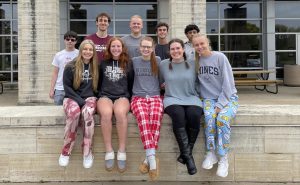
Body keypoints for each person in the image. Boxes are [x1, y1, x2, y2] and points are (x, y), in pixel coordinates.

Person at [192, 34, 239, 178]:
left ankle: (223, 158)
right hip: (207, 98)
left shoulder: (220, 57)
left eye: (202, 43)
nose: (200, 47)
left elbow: (228, 83)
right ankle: (210, 153)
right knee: (209, 117)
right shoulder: (196, 61)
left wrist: (220, 105)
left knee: (222, 119)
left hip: (228, 97)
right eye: (196, 45)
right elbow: (195, 83)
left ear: (207, 43)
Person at [159, 38, 203, 175]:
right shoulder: (163, 64)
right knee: (178, 115)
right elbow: (160, 82)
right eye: (172, 49)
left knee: (194, 115)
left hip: (191, 97)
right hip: (172, 98)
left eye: (178, 48)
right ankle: (189, 158)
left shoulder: (192, 63)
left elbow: (200, 81)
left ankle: (185, 153)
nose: (175, 51)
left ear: (183, 49)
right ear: (169, 51)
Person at [58, 39, 99, 169]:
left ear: (93, 52)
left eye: (90, 49)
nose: (88, 52)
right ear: (80, 50)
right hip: (71, 97)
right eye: (85, 49)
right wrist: (80, 102)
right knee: (74, 113)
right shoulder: (70, 66)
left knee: (87, 114)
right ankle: (66, 150)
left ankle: (87, 151)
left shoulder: (96, 67)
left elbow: (98, 88)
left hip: (90, 98)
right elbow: (67, 88)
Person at [97, 37, 133, 173]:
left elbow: (131, 81)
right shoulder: (103, 63)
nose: (116, 49)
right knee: (106, 114)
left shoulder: (128, 63)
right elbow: (99, 80)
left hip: (122, 96)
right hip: (105, 95)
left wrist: (127, 96)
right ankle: (109, 151)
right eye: (113, 46)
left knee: (119, 113)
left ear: (122, 48)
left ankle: (122, 151)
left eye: (118, 46)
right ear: (109, 48)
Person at [131, 37, 163, 181]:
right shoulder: (134, 61)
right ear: (139, 47)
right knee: (143, 119)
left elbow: (162, 80)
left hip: (155, 96)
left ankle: (147, 158)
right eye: (143, 46)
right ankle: (152, 161)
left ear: (152, 48)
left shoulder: (158, 60)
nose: (145, 49)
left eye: (148, 47)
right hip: (138, 97)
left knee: (155, 120)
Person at [49, 31, 79, 105]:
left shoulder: (79, 54)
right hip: (60, 88)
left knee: (73, 111)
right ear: (64, 40)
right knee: (58, 112)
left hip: (74, 89)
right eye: (67, 39)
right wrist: (52, 89)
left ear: (76, 41)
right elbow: (55, 73)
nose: (70, 41)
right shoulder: (58, 55)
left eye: (72, 40)